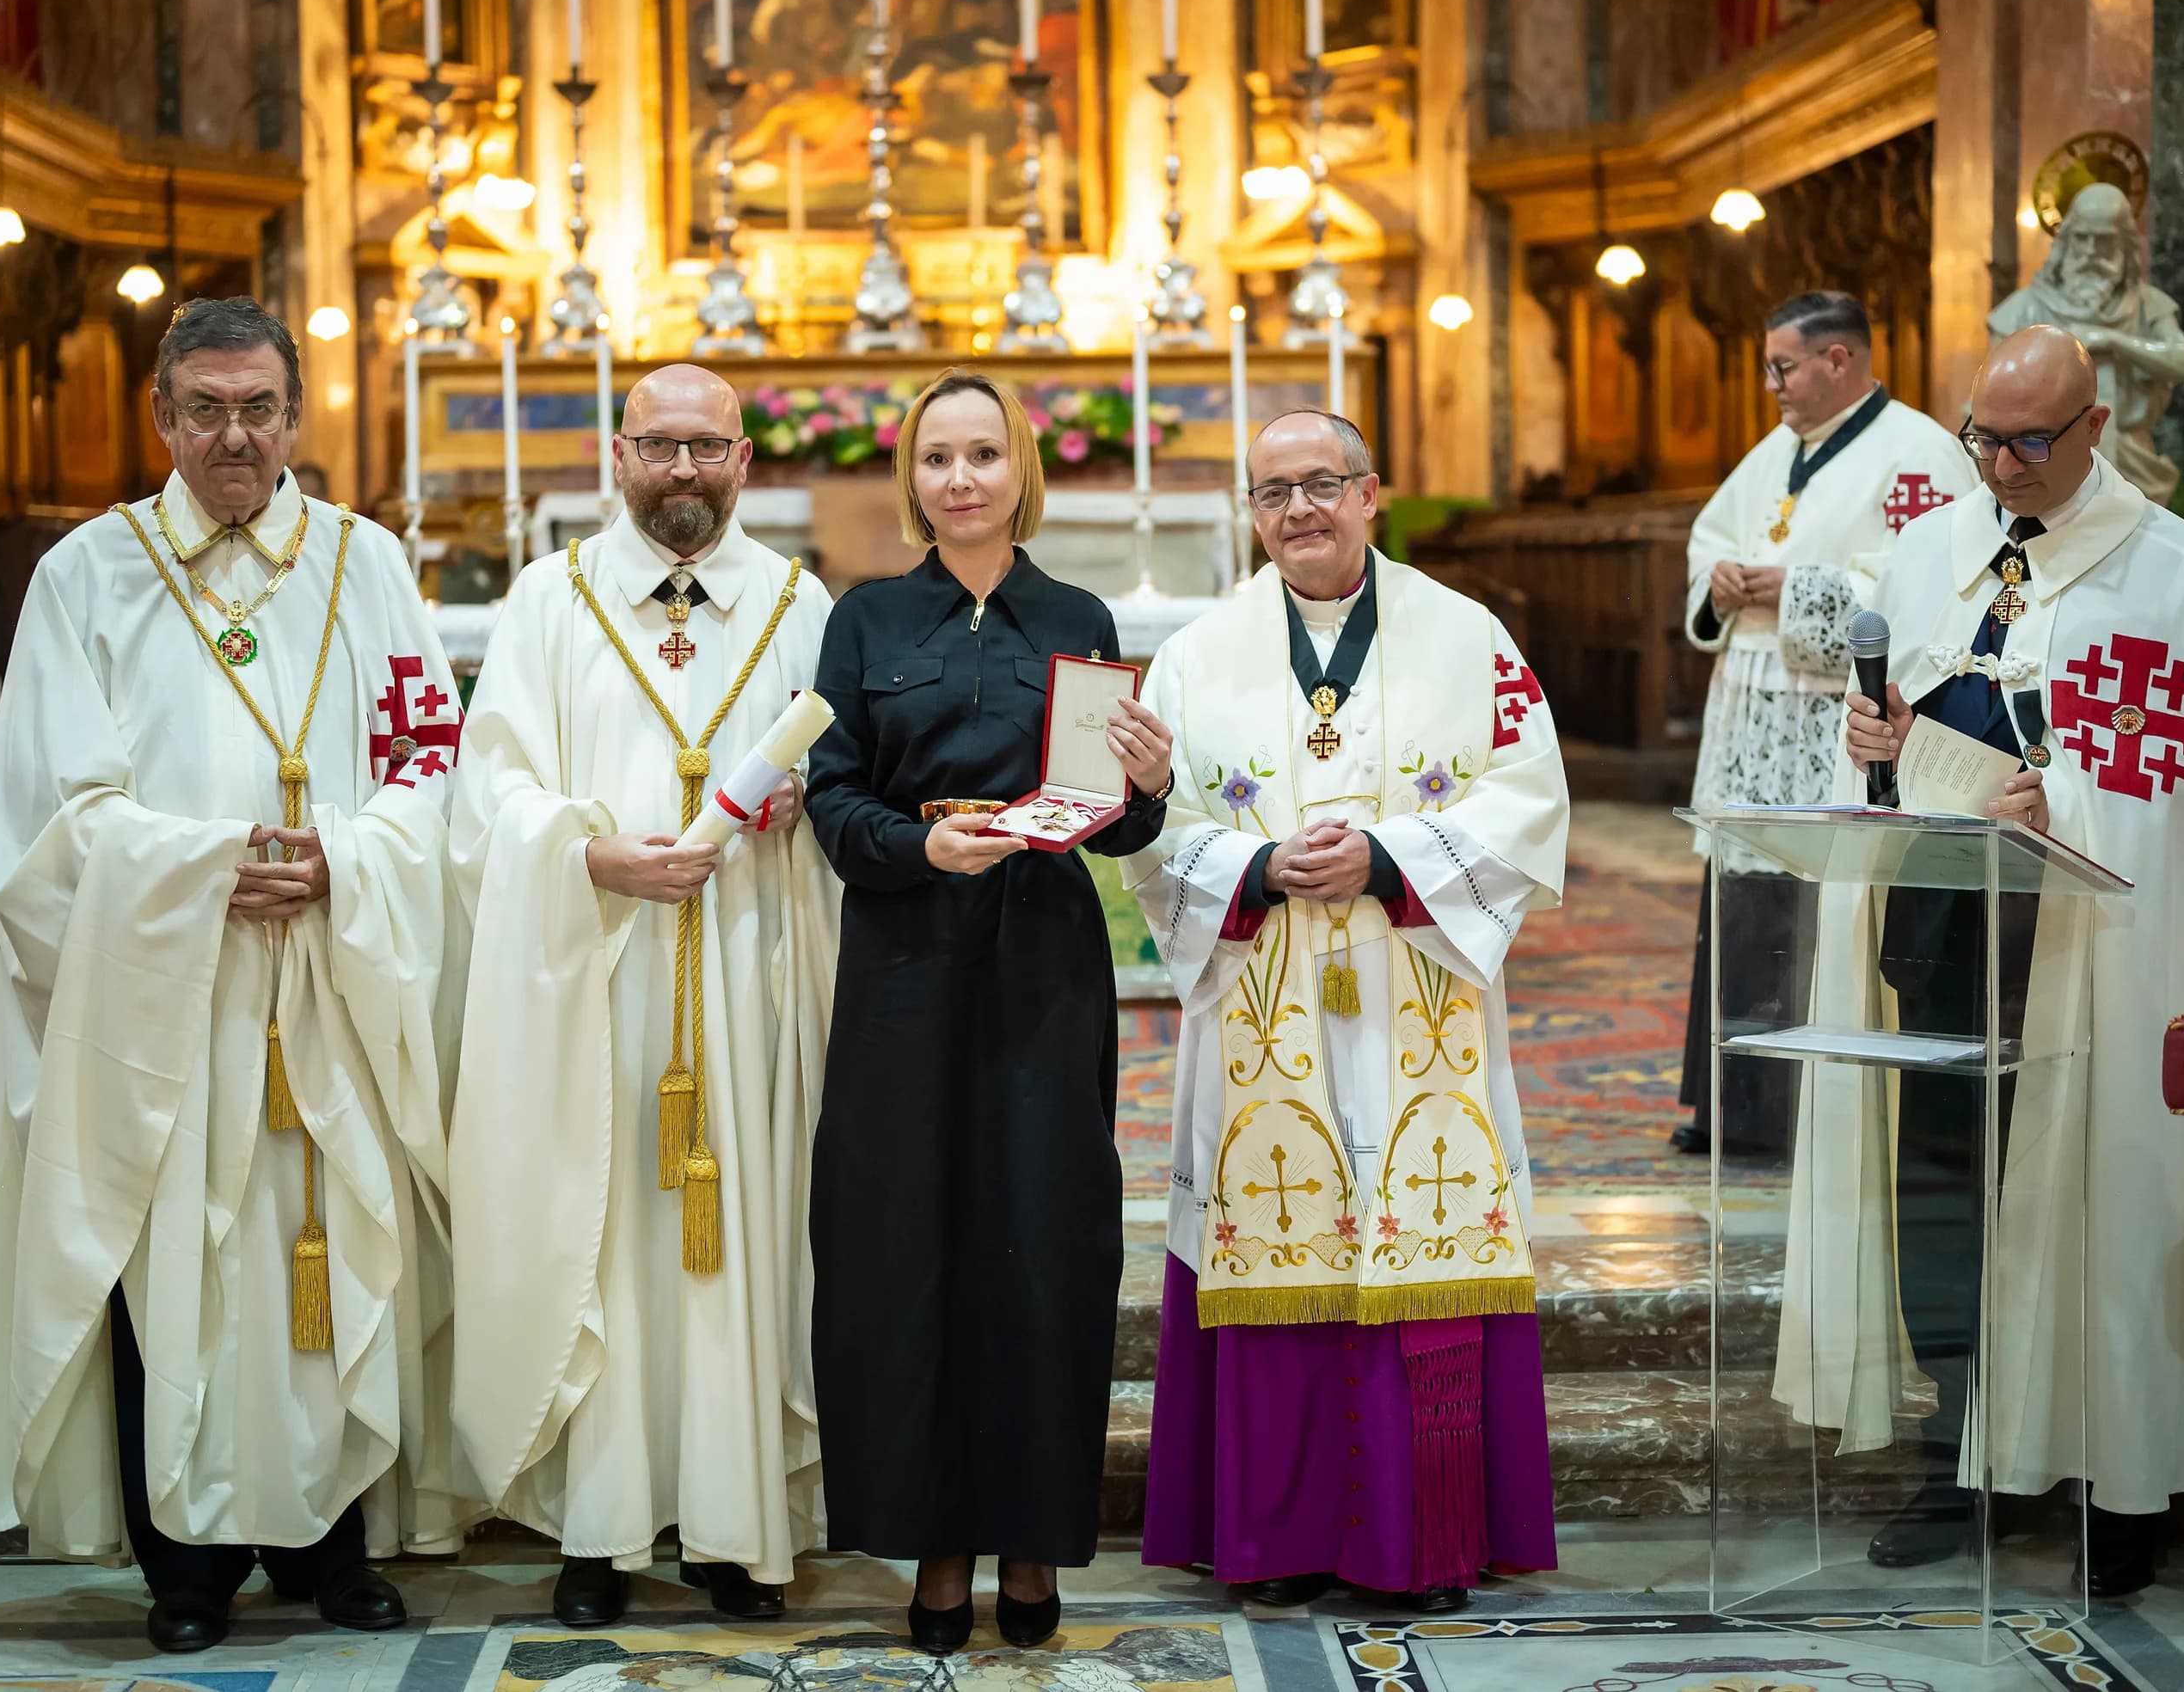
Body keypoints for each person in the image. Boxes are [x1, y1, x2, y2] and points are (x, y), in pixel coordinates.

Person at [0, 298, 464, 1652]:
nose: (236, 435)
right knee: (173, 1257)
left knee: (332, 1247)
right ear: (162, 417)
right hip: (165, 980)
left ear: (296, 417)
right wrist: (211, 868)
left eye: (260, 409)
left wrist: (344, 859)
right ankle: (186, 1561)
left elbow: (427, 770)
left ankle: (332, 1549)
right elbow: (55, 805)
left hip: (331, 972)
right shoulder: (89, 575)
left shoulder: (367, 562)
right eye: (208, 409)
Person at [1791, 327, 2184, 1598]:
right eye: (1982, 437)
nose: (2000, 466)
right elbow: (1886, 723)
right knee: (1941, 1191)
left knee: (2092, 1193)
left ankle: (2118, 1477)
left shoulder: (2173, 572)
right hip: (1941, 922)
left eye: (2027, 442)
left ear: (2095, 427)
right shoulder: (1927, 549)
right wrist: (1870, 734)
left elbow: (2177, 783)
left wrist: (2061, 801)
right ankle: (1963, 1453)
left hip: (2091, 944)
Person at [1127, 409, 1567, 1613]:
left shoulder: (1468, 635)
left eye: (1322, 484)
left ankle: (1421, 1545)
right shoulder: (1194, 651)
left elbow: (1532, 796)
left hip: (1411, 988)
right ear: (1251, 512)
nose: (1299, 511)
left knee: (1413, 1235)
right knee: (1278, 1229)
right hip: (1263, 994)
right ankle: (1273, 1539)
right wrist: (1256, 869)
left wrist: (1386, 857)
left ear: (1374, 492)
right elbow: (1145, 820)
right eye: (1273, 493)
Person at [446, 365, 837, 1627]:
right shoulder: (548, 599)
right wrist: (585, 854)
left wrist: (802, 802)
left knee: (744, 1241)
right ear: (618, 456)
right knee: (604, 1235)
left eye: (708, 448)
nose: (684, 470)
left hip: (748, 968)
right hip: (597, 963)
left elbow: (849, 777)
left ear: (744, 460)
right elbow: (491, 786)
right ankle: (600, 1528)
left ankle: (732, 1523)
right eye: (660, 446)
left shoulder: (798, 601)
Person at [804, 370, 1170, 1653]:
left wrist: (1149, 783)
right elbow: (830, 796)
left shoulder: (1074, 613)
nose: (960, 478)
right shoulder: (866, 619)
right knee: (907, 1245)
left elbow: (1113, 813)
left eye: (982, 454)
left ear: (1022, 467)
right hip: (905, 957)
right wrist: (918, 848)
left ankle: (1031, 1537)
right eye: (938, 458)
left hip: (1043, 962)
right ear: (912, 477)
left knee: (1040, 1236)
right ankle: (935, 1539)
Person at [1674, 290, 1969, 1160]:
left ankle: (1809, 1114)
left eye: (1783, 366)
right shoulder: (1776, 451)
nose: (1772, 384)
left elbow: (1928, 583)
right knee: (1743, 898)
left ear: (1838, 360)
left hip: (1834, 721)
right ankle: (1734, 1107)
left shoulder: (1920, 453)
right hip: (1752, 707)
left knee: (1812, 901)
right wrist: (1722, 580)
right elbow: (1710, 539)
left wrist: (1798, 588)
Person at [1987, 182, 2184, 506]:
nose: (2090, 253)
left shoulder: (2147, 305)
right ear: (2066, 240)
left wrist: (2114, 340)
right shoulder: (2024, 309)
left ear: (2125, 244)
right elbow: (1987, 401)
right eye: (2081, 239)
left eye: (2102, 241)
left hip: (2132, 463)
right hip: (2040, 464)